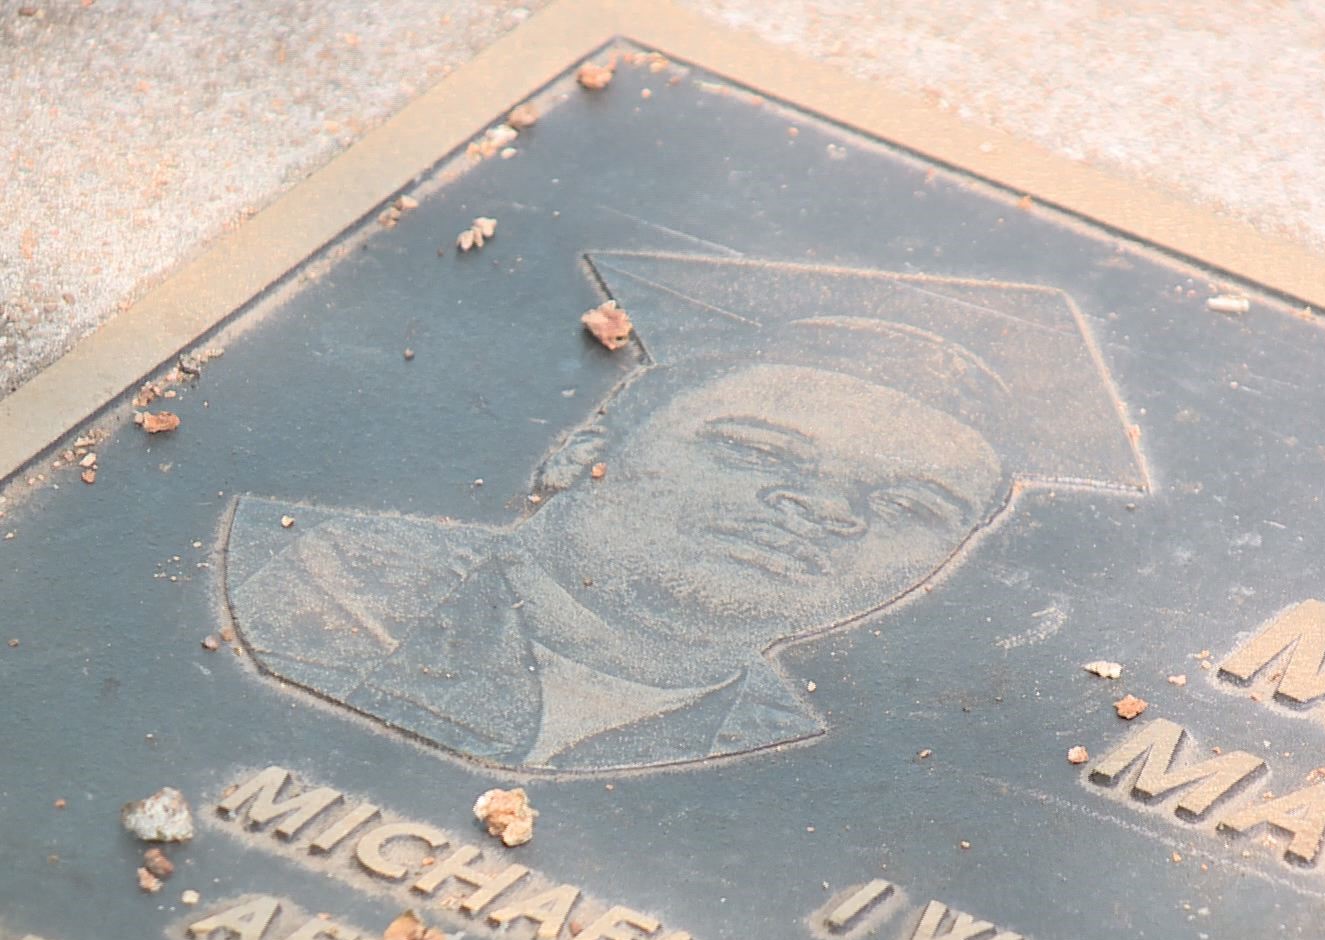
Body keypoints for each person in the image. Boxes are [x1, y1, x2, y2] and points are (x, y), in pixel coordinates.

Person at [222, 253, 1146, 773]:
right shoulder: (286, 577)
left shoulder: (792, 763)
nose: (820, 511)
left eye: (912, 505)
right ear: (586, 447)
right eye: (757, 451)